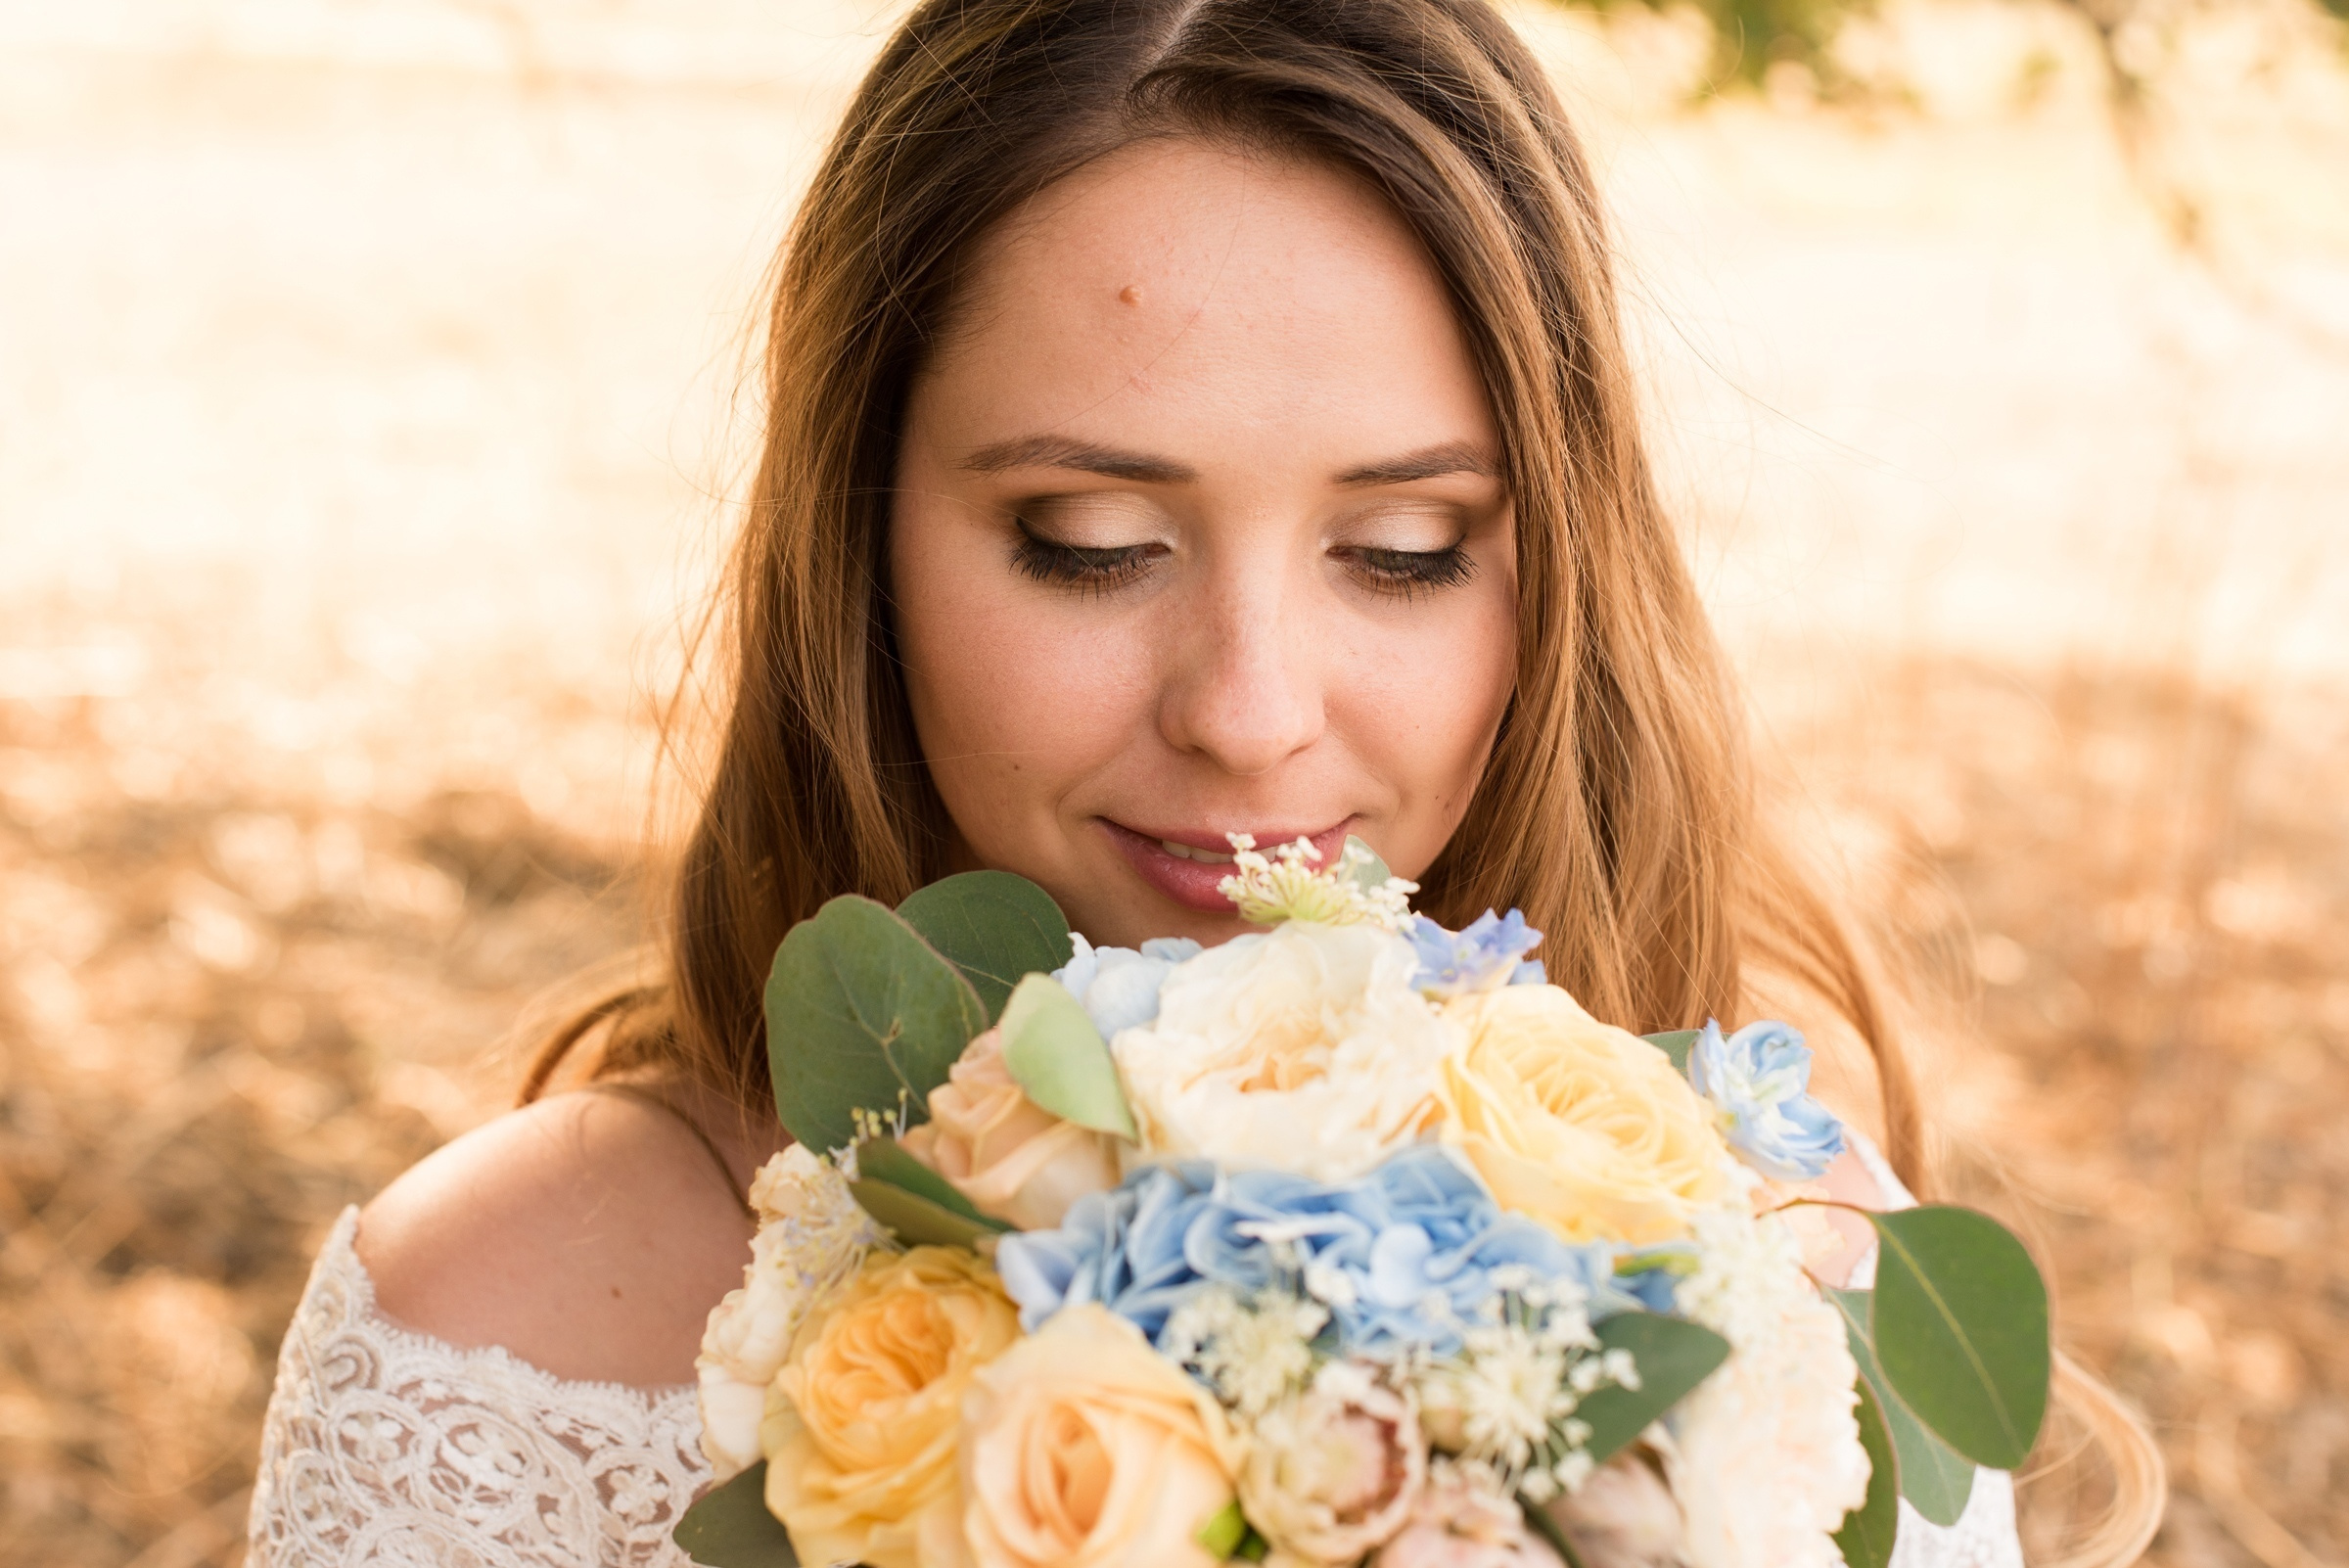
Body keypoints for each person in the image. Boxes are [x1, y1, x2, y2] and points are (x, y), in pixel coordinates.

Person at [246, 2, 2164, 1565]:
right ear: (859, 538)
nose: (1249, 715)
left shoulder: (1776, 1267)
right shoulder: (499, 1323)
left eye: (1406, 548)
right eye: (1088, 540)